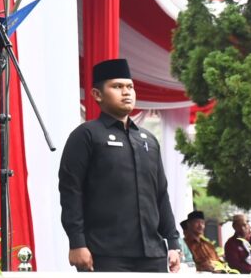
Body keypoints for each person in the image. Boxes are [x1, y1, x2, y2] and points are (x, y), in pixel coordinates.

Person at [58, 58, 181, 273]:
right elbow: (71, 191)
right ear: (97, 94)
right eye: (117, 87)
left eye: (130, 87)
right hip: (105, 254)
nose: (126, 92)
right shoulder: (86, 135)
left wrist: (173, 242)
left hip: (152, 254)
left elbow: (161, 194)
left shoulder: (148, 140)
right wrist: (77, 242)